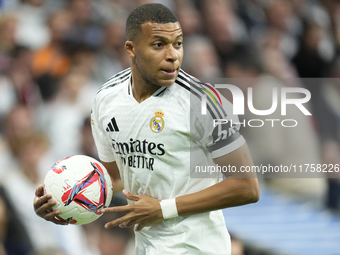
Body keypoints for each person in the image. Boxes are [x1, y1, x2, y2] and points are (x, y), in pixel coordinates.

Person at [34, 3, 259, 255]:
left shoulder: (203, 101)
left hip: (199, 247)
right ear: (131, 49)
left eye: (178, 43)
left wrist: (164, 209)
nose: (173, 55)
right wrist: (63, 202)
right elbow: (116, 175)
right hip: (146, 247)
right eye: (159, 44)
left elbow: (246, 186)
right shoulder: (106, 99)